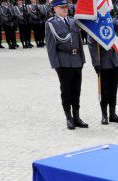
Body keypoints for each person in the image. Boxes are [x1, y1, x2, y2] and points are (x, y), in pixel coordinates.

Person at [45, 0, 86, 129]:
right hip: (63, 62)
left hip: (76, 61)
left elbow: (79, 42)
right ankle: (69, 117)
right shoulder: (51, 24)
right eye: (61, 7)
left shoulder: (73, 21)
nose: (64, 9)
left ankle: (77, 116)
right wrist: (56, 65)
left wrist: (82, 59)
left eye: (66, 7)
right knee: (66, 91)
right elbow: (51, 46)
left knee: (76, 90)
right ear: (55, 9)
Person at [88, 26, 118, 125]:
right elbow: (92, 46)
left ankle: (113, 114)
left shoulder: (107, 22)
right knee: (104, 91)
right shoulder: (92, 28)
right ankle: (104, 115)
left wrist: (109, 19)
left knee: (113, 90)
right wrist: (96, 63)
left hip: (115, 61)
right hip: (103, 63)